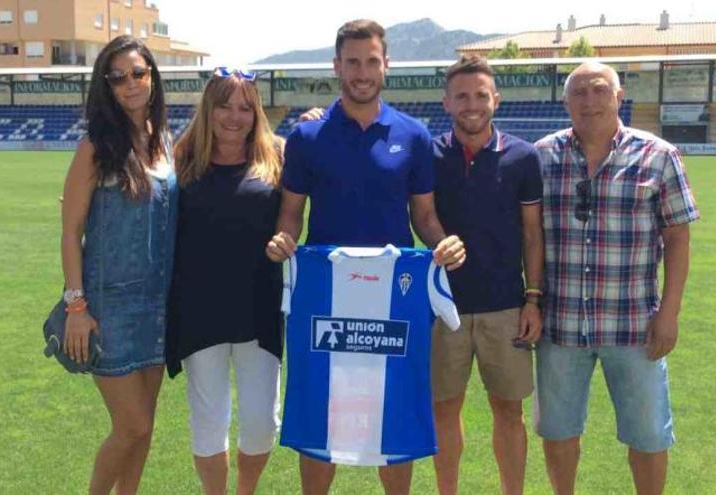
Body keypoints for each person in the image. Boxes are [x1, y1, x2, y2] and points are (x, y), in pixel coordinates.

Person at [265, 18, 465, 495]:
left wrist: (443, 242)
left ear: (385, 65)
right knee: (321, 412)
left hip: (394, 301)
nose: (362, 71)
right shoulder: (308, 138)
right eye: (352, 62)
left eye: (371, 61)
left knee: (394, 415)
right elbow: (291, 213)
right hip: (326, 297)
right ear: (337, 66)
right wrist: (282, 239)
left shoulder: (413, 135)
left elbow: (425, 215)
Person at [534, 62, 699, 495]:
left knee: (648, 434)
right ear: (565, 101)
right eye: (579, 93)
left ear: (619, 96)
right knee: (558, 431)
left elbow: (678, 237)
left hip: (634, 326)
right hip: (561, 324)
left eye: (599, 90)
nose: (589, 101)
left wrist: (670, 313)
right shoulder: (542, 156)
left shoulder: (658, 155)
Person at [60, 35, 176, 494]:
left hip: (159, 306)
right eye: (117, 77)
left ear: (152, 76)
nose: (129, 84)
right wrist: (76, 307)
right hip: (108, 310)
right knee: (129, 426)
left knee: (145, 429)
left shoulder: (164, 140)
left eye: (138, 73)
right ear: (105, 85)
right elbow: (71, 232)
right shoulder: (94, 147)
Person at [166, 68, 284, 495]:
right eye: (224, 106)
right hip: (199, 311)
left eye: (244, 108)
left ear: (256, 114)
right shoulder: (180, 160)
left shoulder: (278, 158)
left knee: (260, 423)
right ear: (208, 109)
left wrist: (315, 122)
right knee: (208, 420)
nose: (234, 117)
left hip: (261, 310)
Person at [430, 56, 543, 495]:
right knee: (444, 409)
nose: (471, 104)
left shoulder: (522, 157)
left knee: (509, 412)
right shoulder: (431, 154)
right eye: (461, 96)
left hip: (505, 307)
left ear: (495, 99)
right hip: (443, 306)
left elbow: (533, 235)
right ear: (447, 103)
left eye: (480, 95)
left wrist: (532, 298)